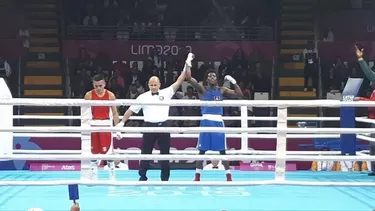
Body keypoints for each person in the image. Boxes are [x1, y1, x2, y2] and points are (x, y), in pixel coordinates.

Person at [116, 53, 194, 181]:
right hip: (148, 127)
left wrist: (187, 64)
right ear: (148, 85)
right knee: (145, 152)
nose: (153, 87)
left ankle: (165, 178)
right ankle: (142, 176)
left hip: (163, 126)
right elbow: (130, 110)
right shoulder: (143, 97)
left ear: (159, 84)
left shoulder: (166, 92)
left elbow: (180, 79)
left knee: (165, 154)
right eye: (151, 85)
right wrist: (121, 123)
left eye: (155, 85)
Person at [185, 67, 243, 181]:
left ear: (217, 79)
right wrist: (188, 63)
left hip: (218, 123)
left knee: (222, 151)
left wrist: (233, 81)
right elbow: (188, 78)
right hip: (205, 122)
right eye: (210, 76)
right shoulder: (202, 89)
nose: (212, 77)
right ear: (206, 79)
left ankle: (229, 176)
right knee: (202, 151)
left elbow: (239, 94)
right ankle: (197, 176)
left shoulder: (222, 90)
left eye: (214, 76)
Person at [83, 74, 120, 180]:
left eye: (100, 85)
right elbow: (84, 113)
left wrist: (117, 129)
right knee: (94, 153)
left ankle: (112, 178)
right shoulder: (88, 95)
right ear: (93, 85)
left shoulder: (110, 95)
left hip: (106, 125)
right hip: (93, 125)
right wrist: (85, 126)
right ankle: (93, 178)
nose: (98, 88)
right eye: (96, 86)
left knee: (108, 153)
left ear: (104, 84)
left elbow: (115, 113)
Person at [355, 45, 375, 176]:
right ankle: (374, 169)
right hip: (374, 121)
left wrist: (361, 100)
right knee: (373, 145)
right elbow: (369, 74)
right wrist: (361, 59)